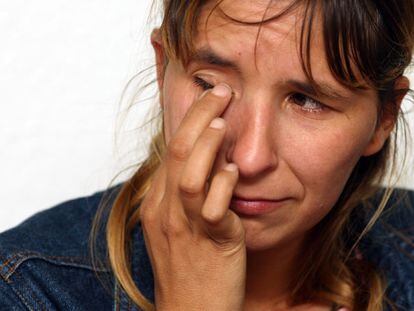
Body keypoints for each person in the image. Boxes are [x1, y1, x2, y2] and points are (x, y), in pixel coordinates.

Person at [1, 0, 414, 310]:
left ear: (384, 117)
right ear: (163, 69)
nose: (251, 159)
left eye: (307, 101)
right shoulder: (27, 289)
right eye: (211, 84)